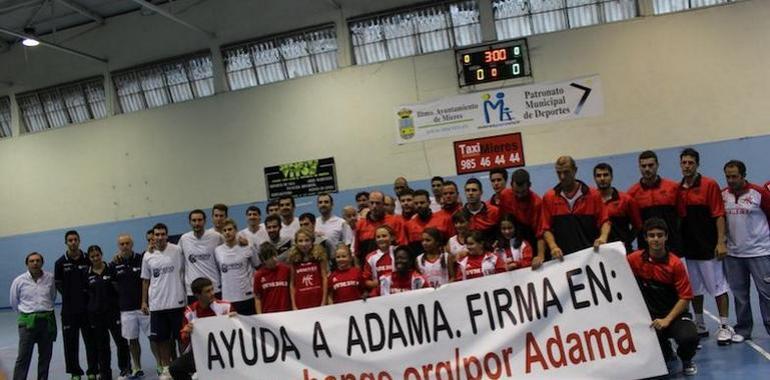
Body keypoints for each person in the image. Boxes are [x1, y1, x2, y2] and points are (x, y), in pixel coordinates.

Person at [627, 218, 698, 376]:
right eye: (651, 236)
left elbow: (685, 297)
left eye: (660, 235)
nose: (656, 239)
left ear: (666, 237)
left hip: (674, 316)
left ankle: (686, 359)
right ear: (645, 238)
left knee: (689, 338)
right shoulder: (634, 259)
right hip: (650, 318)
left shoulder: (675, 263)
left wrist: (667, 319)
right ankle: (665, 351)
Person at [677, 148, 733, 342]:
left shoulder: (709, 184)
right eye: (684, 163)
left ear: (697, 164)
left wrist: (720, 241)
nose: (687, 166)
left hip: (709, 248)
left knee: (718, 288)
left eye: (690, 163)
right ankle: (699, 324)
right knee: (694, 290)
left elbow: (718, 214)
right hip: (689, 250)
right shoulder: (679, 189)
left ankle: (725, 326)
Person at [722, 160, 770, 340]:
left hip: (760, 253)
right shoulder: (723, 195)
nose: (731, 180)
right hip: (733, 255)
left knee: (767, 294)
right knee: (740, 295)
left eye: (734, 176)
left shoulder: (759, 193)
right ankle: (743, 330)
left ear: (743, 175)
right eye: (728, 176)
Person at [534, 156, 610, 269]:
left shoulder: (593, 195)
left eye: (566, 172)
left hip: (590, 257)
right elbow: (545, 228)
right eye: (559, 173)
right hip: (562, 259)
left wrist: (603, 237)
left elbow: (605, 221)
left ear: (575, 170)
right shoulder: (549, 197)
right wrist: (553, 246)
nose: (562, 177)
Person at [141, 223, 186, 380]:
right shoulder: (147, 256)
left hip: (177, 303)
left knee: (182, 339)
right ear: (152, 237)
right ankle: (167, 369)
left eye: (162, 234)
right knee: (162, 341)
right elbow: (145, 281)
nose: (159, 237)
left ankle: (184, 367)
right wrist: (144, 302)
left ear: (167, 235)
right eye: (157, 234)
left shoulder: (177, 250)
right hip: (157, 305)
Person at [168, 277, 232, 380]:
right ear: (197, 295)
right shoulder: (190, 313)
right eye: (207, 291)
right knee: (175, 368)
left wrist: (235, 318)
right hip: (201, 353)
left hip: (225, 351)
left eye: (212, 289)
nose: (212, 293)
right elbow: (184, 338)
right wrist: (187, 332)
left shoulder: (226, 307)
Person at [55, 230, 98, 379]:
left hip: (88, 309)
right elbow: (58, 284)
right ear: (66, 242)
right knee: (70, 343)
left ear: (79, 241)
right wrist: (71, 297)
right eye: (70, 240)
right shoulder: (60, 262)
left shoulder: (88, 259)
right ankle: (75, 372)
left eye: (75, 240)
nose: (73, 242)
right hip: (69, 311)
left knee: (91, 341)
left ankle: (93, 371)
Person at [110, 234, 153, 378]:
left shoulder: (141, 259)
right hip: (126, 309)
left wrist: (144, 300)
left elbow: (146, 280)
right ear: (118, 246)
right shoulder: (114, 264)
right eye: (122, 244)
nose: (125, 246)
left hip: (144, 306)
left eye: (127, 243)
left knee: (153, 337)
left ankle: (160, 365)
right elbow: (114, 284)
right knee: (132, 340)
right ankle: (137, 367)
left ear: (132, 244)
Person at [85, 245, 130, 380]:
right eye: (92, 256)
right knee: (102, 345)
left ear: (101, 255)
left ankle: (125, 369)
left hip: (113, 312)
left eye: (97, 255)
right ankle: (105, 373)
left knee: (121, 342)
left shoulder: (111, 269)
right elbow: (86, 294)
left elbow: (118, 288)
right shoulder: (87, 274)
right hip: (96, 315)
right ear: (89, 258)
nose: (95, 258)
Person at [11, 252, 56, 380]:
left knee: (45, 356)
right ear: (27, 264)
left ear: (42, 262)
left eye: (37, 260)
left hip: (46, 321)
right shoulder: (19, 281)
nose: (35, 263)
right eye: (32, 261)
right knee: (23, 356)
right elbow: (14, 302)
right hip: (27, 322)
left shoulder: (50, 278)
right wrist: (27, 313)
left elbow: (52, 296)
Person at [627, 150, 682, 254]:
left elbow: (680, 216)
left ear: (657, 165)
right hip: (646, 249)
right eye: (643, 166)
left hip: (674, 247)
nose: (647, 169)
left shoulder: (673, 188)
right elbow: (635, 225)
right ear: (639, 167)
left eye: (650, 165)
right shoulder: (632, 193)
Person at [593, 163, 642, 253]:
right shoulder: (590, 201)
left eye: (606, 175)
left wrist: (626, 242)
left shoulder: (626, 200)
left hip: (622, 251)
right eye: (598, 176)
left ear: (612, 177)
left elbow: (637, 226)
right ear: (595, 178)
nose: (602, 178)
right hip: (597, 252)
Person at [215, 218, 259, 315]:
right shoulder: (218, 250)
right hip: (228, 298)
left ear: (236, 230)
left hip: (246, 296)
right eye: (224, 230)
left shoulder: (247, 247)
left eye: (230, 229)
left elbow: (257, 265)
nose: (227, 232)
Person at [178, 209, 222, 305]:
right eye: (194, 220)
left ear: (205, 221)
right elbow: (173, 253)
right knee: (196, 320)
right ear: (190, 222)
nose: (197, 223)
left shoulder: (216, 237)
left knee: (217, 319)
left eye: (199, 220)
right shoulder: (184, 239)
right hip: (193, 291)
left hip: (213, 288)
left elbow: (228, 247)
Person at [498, 169, 543, 255]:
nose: (519, 195)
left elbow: (540, 233)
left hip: (531, 237)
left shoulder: (537, 203)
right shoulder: (504, 195)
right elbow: (501, 221)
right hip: (511, 237)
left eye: (523, 192)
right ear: (511, 185)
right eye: (516, 192)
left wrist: (540, 255)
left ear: (529, 186)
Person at [354, 191, 407, 261]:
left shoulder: (396, 221)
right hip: (369, 268)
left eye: (377, 203)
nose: (374, 206)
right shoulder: (360, 224)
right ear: (368, 204)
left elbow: (402, 247)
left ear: (383, 204)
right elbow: (357, 253)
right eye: (372, 203)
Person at [288, 228, 328, 310]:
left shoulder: (319, 256)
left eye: (307, 240)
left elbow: (324, 279)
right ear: (296, 243)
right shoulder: (293, 259)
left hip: (318, 299)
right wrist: (294, 305)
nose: (304, 244)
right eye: (300, 241)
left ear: (312, 241)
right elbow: (292, 284)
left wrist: (324, 301)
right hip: (301, 301)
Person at [406, 189, 455, 254]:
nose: (419, 205)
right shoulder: (409, 225)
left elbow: (453, 242)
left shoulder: (444, 219)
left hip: (442, 258)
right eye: (416, 203)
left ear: (429, 202)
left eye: (422, 202)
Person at [253, 242, 292, 314]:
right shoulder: (258, 275)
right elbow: (257, 298)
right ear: (264, 260)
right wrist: (260, 316)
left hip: (287, 312)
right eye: (270, 257)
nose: (274, 259)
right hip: (269, 315)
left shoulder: (286, 269)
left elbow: (292, 289)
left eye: (275, 255)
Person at [362, 225, 397, 296]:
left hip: (397, 290)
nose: (381, 239)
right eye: (378, 237)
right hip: (379, 294)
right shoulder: (370, 257)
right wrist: (373, 284)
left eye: (384, 236)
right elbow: (365, 280)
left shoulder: (398, 251)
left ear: (392, 238)